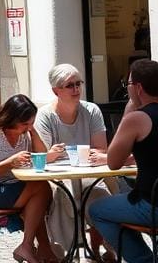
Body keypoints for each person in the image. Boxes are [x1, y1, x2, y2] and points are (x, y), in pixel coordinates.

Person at [89, 59, 158, 263]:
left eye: (128, 85)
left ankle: (145, 260)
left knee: (97, 210)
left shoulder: (137, 118)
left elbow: (113, 162)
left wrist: (129, 111)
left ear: (138, 88)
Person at [35, 64, 115, 262]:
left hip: (88, 172)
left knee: (98, 194)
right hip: (57, 176)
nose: (76, 89)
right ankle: (67, 254)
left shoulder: (91, 110)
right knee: (64, 196)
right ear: (56, 90)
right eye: (69, 85)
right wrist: (51, 155)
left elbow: (101, 149)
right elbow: (42, 157)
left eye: (78, 83)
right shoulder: (45, 116)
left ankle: (100, 250)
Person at [0, 94, 60, 263]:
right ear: (10, 119)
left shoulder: (25, 133)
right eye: (24, 123)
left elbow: (41, 156)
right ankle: (36, 248)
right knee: (41, 188)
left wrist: (33, 132)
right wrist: (10, 162)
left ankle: (36, 249)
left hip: (13, 187)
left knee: (38, 200)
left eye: (31, 122)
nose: (28, 127)